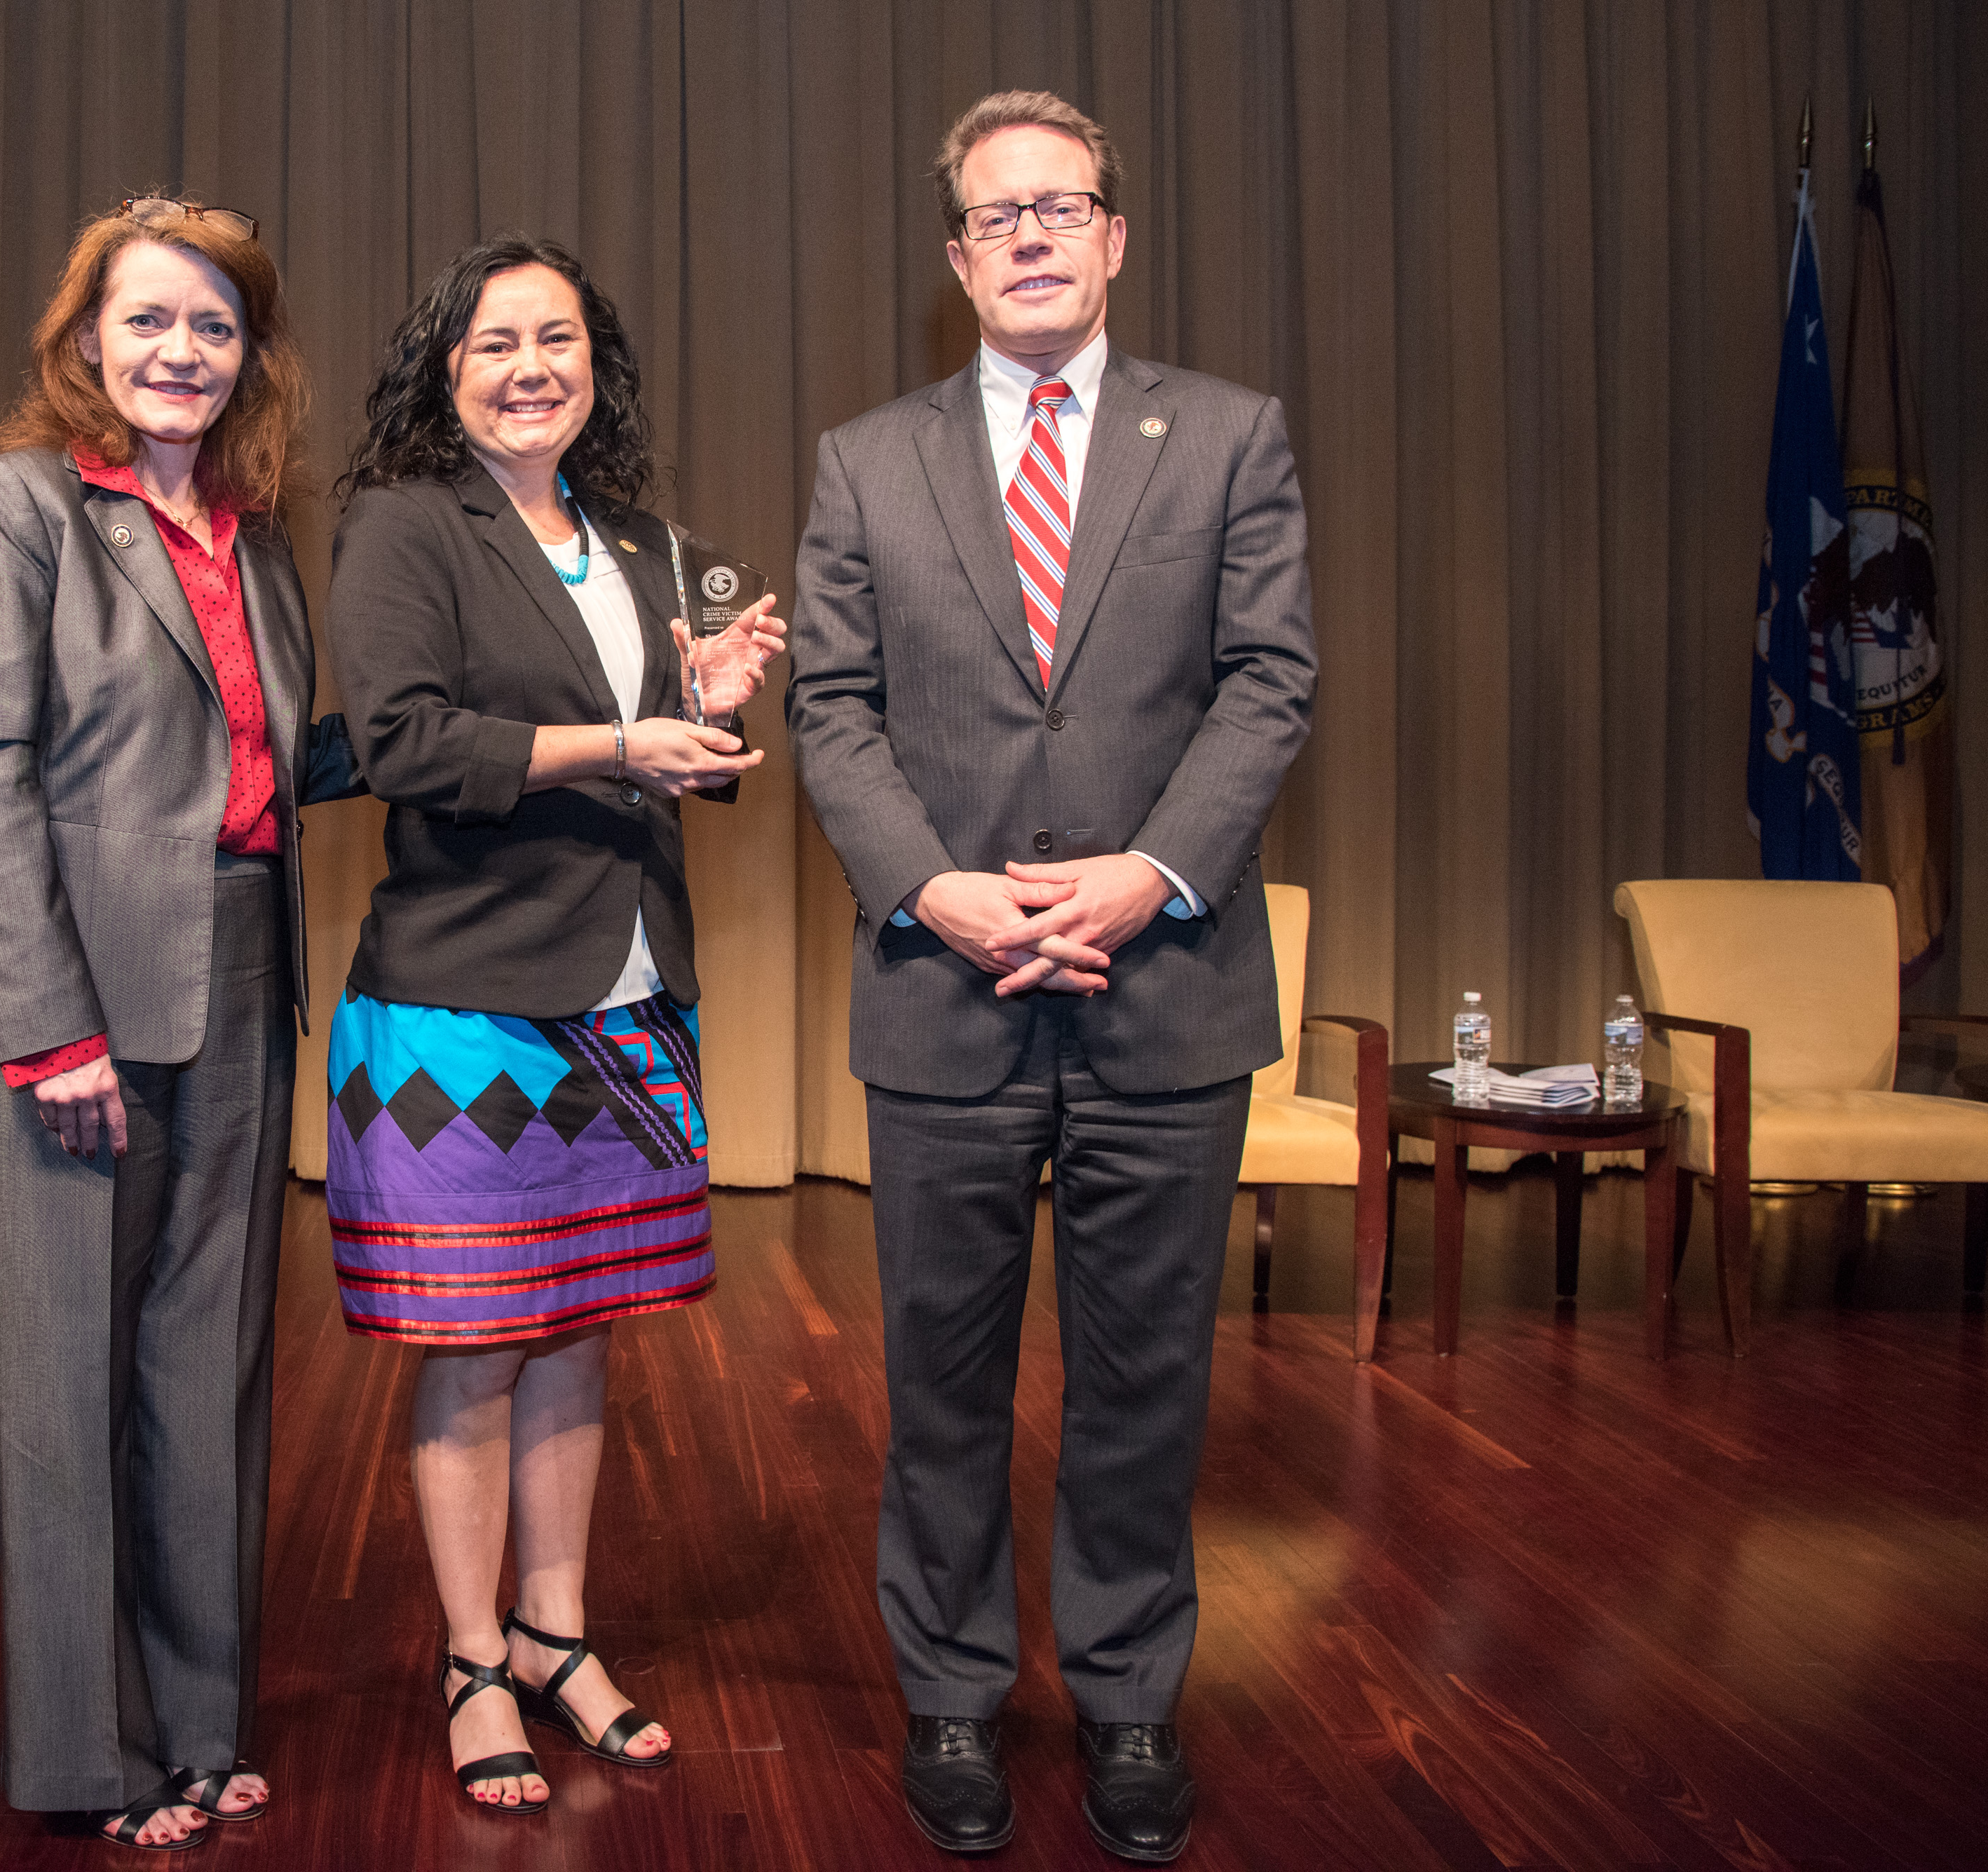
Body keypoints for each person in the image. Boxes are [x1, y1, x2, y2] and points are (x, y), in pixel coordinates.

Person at [789, 92, 1317, 1862]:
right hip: (942, 997)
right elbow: (831, 710)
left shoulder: (1229, 438)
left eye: (1057, 207)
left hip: (1162, 998)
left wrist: (1146, 876)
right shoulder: (866, 460)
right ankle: (948, 1691)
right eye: (991, 215)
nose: (1025, 235)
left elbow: (1266, 684)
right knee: (938, 1384)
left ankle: (1127, 1702)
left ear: (1109, 240)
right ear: (955, 259)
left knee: (1143, 1379)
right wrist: (934, 890)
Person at [0, 195, 363, 1854]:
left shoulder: (252, 526)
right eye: (148, 320)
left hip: (235, 977)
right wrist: (49, 1027)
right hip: (54, 1002)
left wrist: (566, 719)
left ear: (251, 357)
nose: (179, 352)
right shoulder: (11, 507)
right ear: (86, 337)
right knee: (59, 1385)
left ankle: (203, 1723)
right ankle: (87, 1753)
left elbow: (282, 762)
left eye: (214, 327)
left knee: (202, 1374)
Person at [322, 235, 788, 1815]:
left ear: (599, 363)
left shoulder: (649, 545)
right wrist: (617, 741)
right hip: (459, 1010)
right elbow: (397, 738)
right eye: (495, 342)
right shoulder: (402, 523)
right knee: (473, 1348)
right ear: (442, 371)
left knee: (581, 1332)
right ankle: (467, 1660)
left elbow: (692, 764)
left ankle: (555, 1634)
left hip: (631, 993)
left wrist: (719, 708)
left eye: (560, 339)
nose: (532, 367)